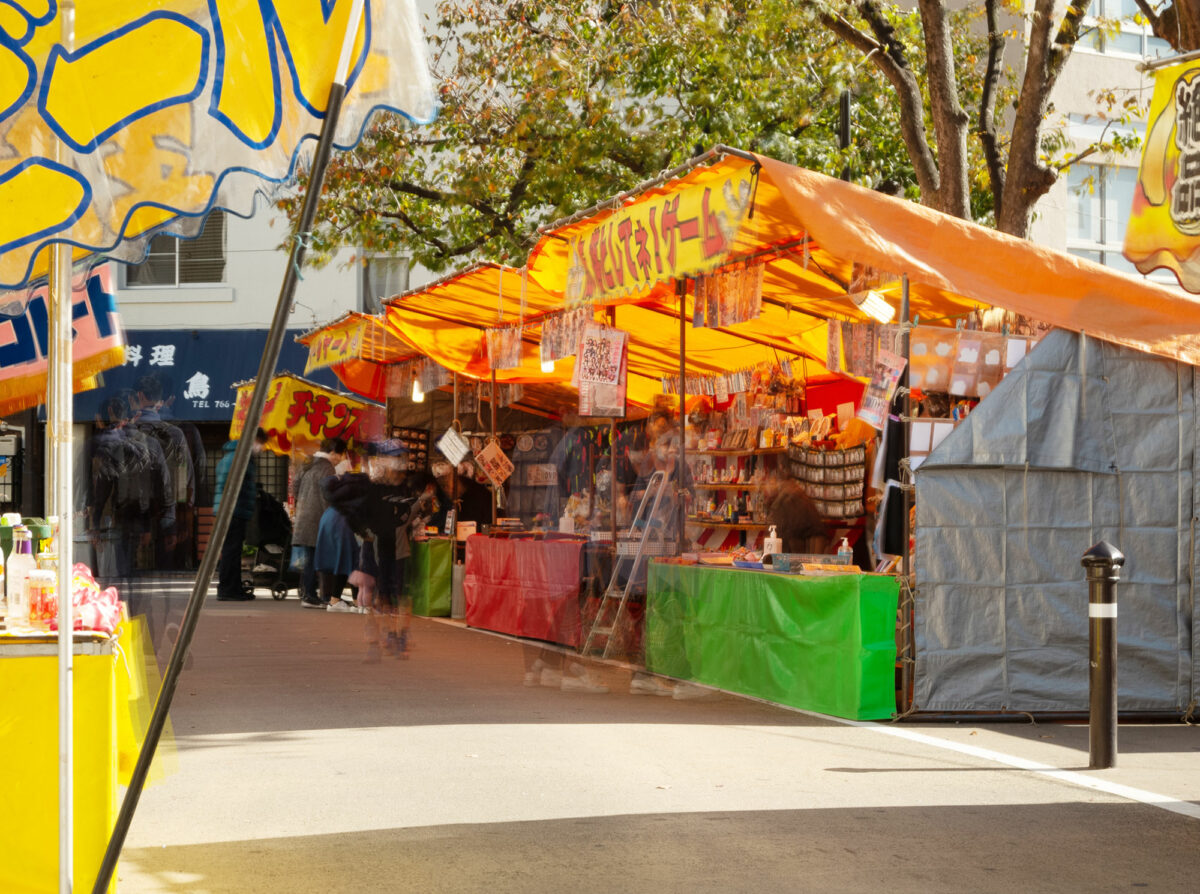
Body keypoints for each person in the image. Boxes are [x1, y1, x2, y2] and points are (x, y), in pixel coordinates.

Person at [291, 437, 348, 608]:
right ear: (332, 452)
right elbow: (328, 496)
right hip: (318, 517)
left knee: (310, 557)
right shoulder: (327, 468)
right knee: (318, 558)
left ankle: (308, 592)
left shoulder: (308, 463)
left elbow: (294, 486)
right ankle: (312, 595)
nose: (341, 458)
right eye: (340, 454)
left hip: (304, 515)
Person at [213, 428, 268, 601]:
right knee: (231, 551)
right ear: (253, 440)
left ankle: (233, 588)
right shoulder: (239, 458)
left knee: (233, 551)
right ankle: (228, 589)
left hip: (232, 510)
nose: (261, 448)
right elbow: (232, 485)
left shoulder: (234, 456)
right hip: (232, 511)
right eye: (260, 443)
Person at [762, 467, 828, 555]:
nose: (767, 487)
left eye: (769, 482)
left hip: (798, 555)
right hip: (805, 555)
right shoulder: (799, 495)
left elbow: (782, 533)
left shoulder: (786, 499)